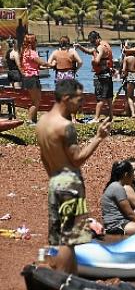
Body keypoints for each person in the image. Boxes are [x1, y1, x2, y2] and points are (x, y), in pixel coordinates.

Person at [36, 79, 111, 273]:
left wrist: (54, 177)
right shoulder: (65, 126)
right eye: (79, 99)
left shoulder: (42, 121)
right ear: (66, 98)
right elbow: (77, 158)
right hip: (70, 183)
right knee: (70, 240)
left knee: (57, 236)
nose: (82, 103)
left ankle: (52, 273)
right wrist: (98, 137)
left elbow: (44, 157)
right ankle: (66, 279)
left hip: (55, 181)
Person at [74, 31, 114, 122]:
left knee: (100, 98)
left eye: (92, 41)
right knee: (109, 98)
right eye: (90, 42)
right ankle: (111, 117)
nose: (92, 43)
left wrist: (93, 62)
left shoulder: (100, 48)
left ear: (97, 38)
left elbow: (97, 60)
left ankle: (96, 118)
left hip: (101, 77)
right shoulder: (103, 46)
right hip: (107, 75)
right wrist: (79, 47)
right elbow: (89, 51)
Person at [21, 34, 52, 125]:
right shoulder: (31, 52)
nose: (37, 43)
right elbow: (42, 62)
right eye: (36, 41)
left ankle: (34, 120)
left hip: (30, 77)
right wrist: (52, 64)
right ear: (33, 42)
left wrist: (47, 67)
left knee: (36, 100)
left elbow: (36, 66)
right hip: (32, 77)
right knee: (36, 101)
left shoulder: (25, 51)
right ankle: (30, 120)